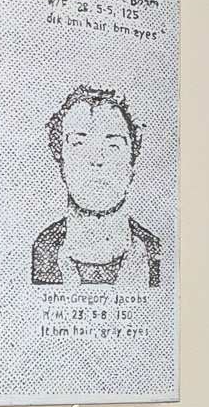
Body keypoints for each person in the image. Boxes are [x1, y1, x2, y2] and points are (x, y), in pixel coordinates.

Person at [29, 82, 162, 285]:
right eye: (78, 144)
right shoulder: (39, 251)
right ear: (60, 160)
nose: (97, 160)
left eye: (113, 145)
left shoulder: (157, 252)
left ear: (131, 162)